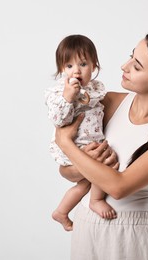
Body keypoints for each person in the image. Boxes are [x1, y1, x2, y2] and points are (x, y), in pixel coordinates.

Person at [54, 31, 148, 259]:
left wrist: (66, 143)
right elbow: (67, 172)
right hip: (86, 226)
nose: (124, 66)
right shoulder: (107, 103)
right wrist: (81, 162)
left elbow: (119, 187)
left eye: (137, 66)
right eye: (131, 56)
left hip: (130, 237)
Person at [45, 35, 118, 232]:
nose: (76, 70)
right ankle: (96, 200)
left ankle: (61, 211)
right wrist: (68, 96)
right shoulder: (59, 92)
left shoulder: (95, 89)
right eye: (69, 66)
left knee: (85, 183)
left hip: (91, 142)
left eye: (83, 64)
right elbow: (58, 120)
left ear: (94, 65)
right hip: (76, 145)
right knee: (104, 167)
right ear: (61, 69)